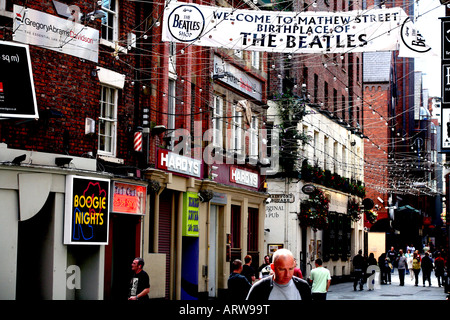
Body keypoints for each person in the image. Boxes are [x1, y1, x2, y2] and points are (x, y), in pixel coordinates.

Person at [246, 249, 312, 300]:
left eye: (291, 269)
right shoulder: (259, 289)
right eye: (282, 269)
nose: (287, 274)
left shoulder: (303, 287)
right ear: (272, 267)